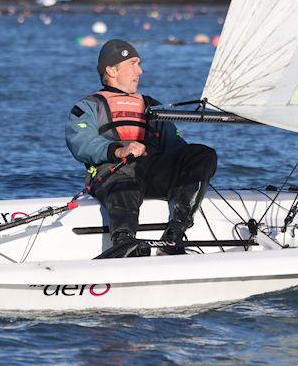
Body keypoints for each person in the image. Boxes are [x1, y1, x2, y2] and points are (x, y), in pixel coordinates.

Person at [66, 39, 217, 256]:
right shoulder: (89, 106)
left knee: (203, 154)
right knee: (126, 170)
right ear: (111, 70)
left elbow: (176, 147)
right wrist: (119, 150)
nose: (140, 70)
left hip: (153, 175)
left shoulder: (150, 105)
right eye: (133, 64)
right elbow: (80, 143)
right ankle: (124, 241)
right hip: (114, 175)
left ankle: (175, 233)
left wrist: (195, 170)